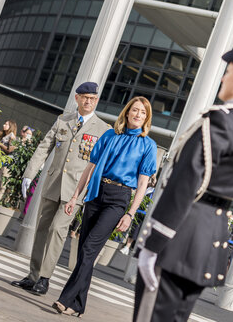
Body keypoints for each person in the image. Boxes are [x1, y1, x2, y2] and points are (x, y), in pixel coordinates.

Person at [134, 42, 233, 322]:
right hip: (209, 240)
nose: (222, 77)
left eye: (228, 71)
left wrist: (153, 244)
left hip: (177, 236)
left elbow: (184, 187)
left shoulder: (218, 121)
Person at [52, 96, 157, 317]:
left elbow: (142, 183)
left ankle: (65, 298)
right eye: (135, 110)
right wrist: (74, 197)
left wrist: (130, 213)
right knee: (83, 252)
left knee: (90, 249)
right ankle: (78, 305)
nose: (138, 115)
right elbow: (90, 167)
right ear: (127, 112)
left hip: (118, 198)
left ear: (146, 118)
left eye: (143, 113)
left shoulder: (148, 145)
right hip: (96, 192)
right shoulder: (110, 135)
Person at [10, 82, 110, 296]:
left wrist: (92, 193)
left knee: (57, 230)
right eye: (85, 97)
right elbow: (44, 147)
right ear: (77, 98)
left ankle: (45, 278)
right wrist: (30, 173)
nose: (88, 101)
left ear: (97, 100)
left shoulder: (104, 130)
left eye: (93, 98)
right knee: (42, 229)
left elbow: (100, 165)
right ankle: (33, 276)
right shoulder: (63, 120)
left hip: (75, 191)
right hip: (53, 184)